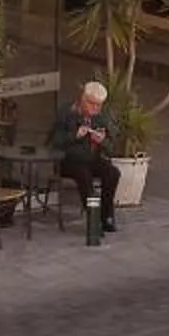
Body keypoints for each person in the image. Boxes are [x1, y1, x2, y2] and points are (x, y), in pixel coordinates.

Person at [50, 80, 123, 235]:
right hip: (69, 160)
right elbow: (53, 142)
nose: (95, 109)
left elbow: (112, 148)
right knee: (84, 176)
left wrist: (102, 141)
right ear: (83, 99)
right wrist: (74, 135)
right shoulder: (66, 112)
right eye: (92, 104)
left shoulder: (101, 117)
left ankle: (107, 216)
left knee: (112, 173)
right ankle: (93, 221)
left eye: (99, 105)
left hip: (92, 159)